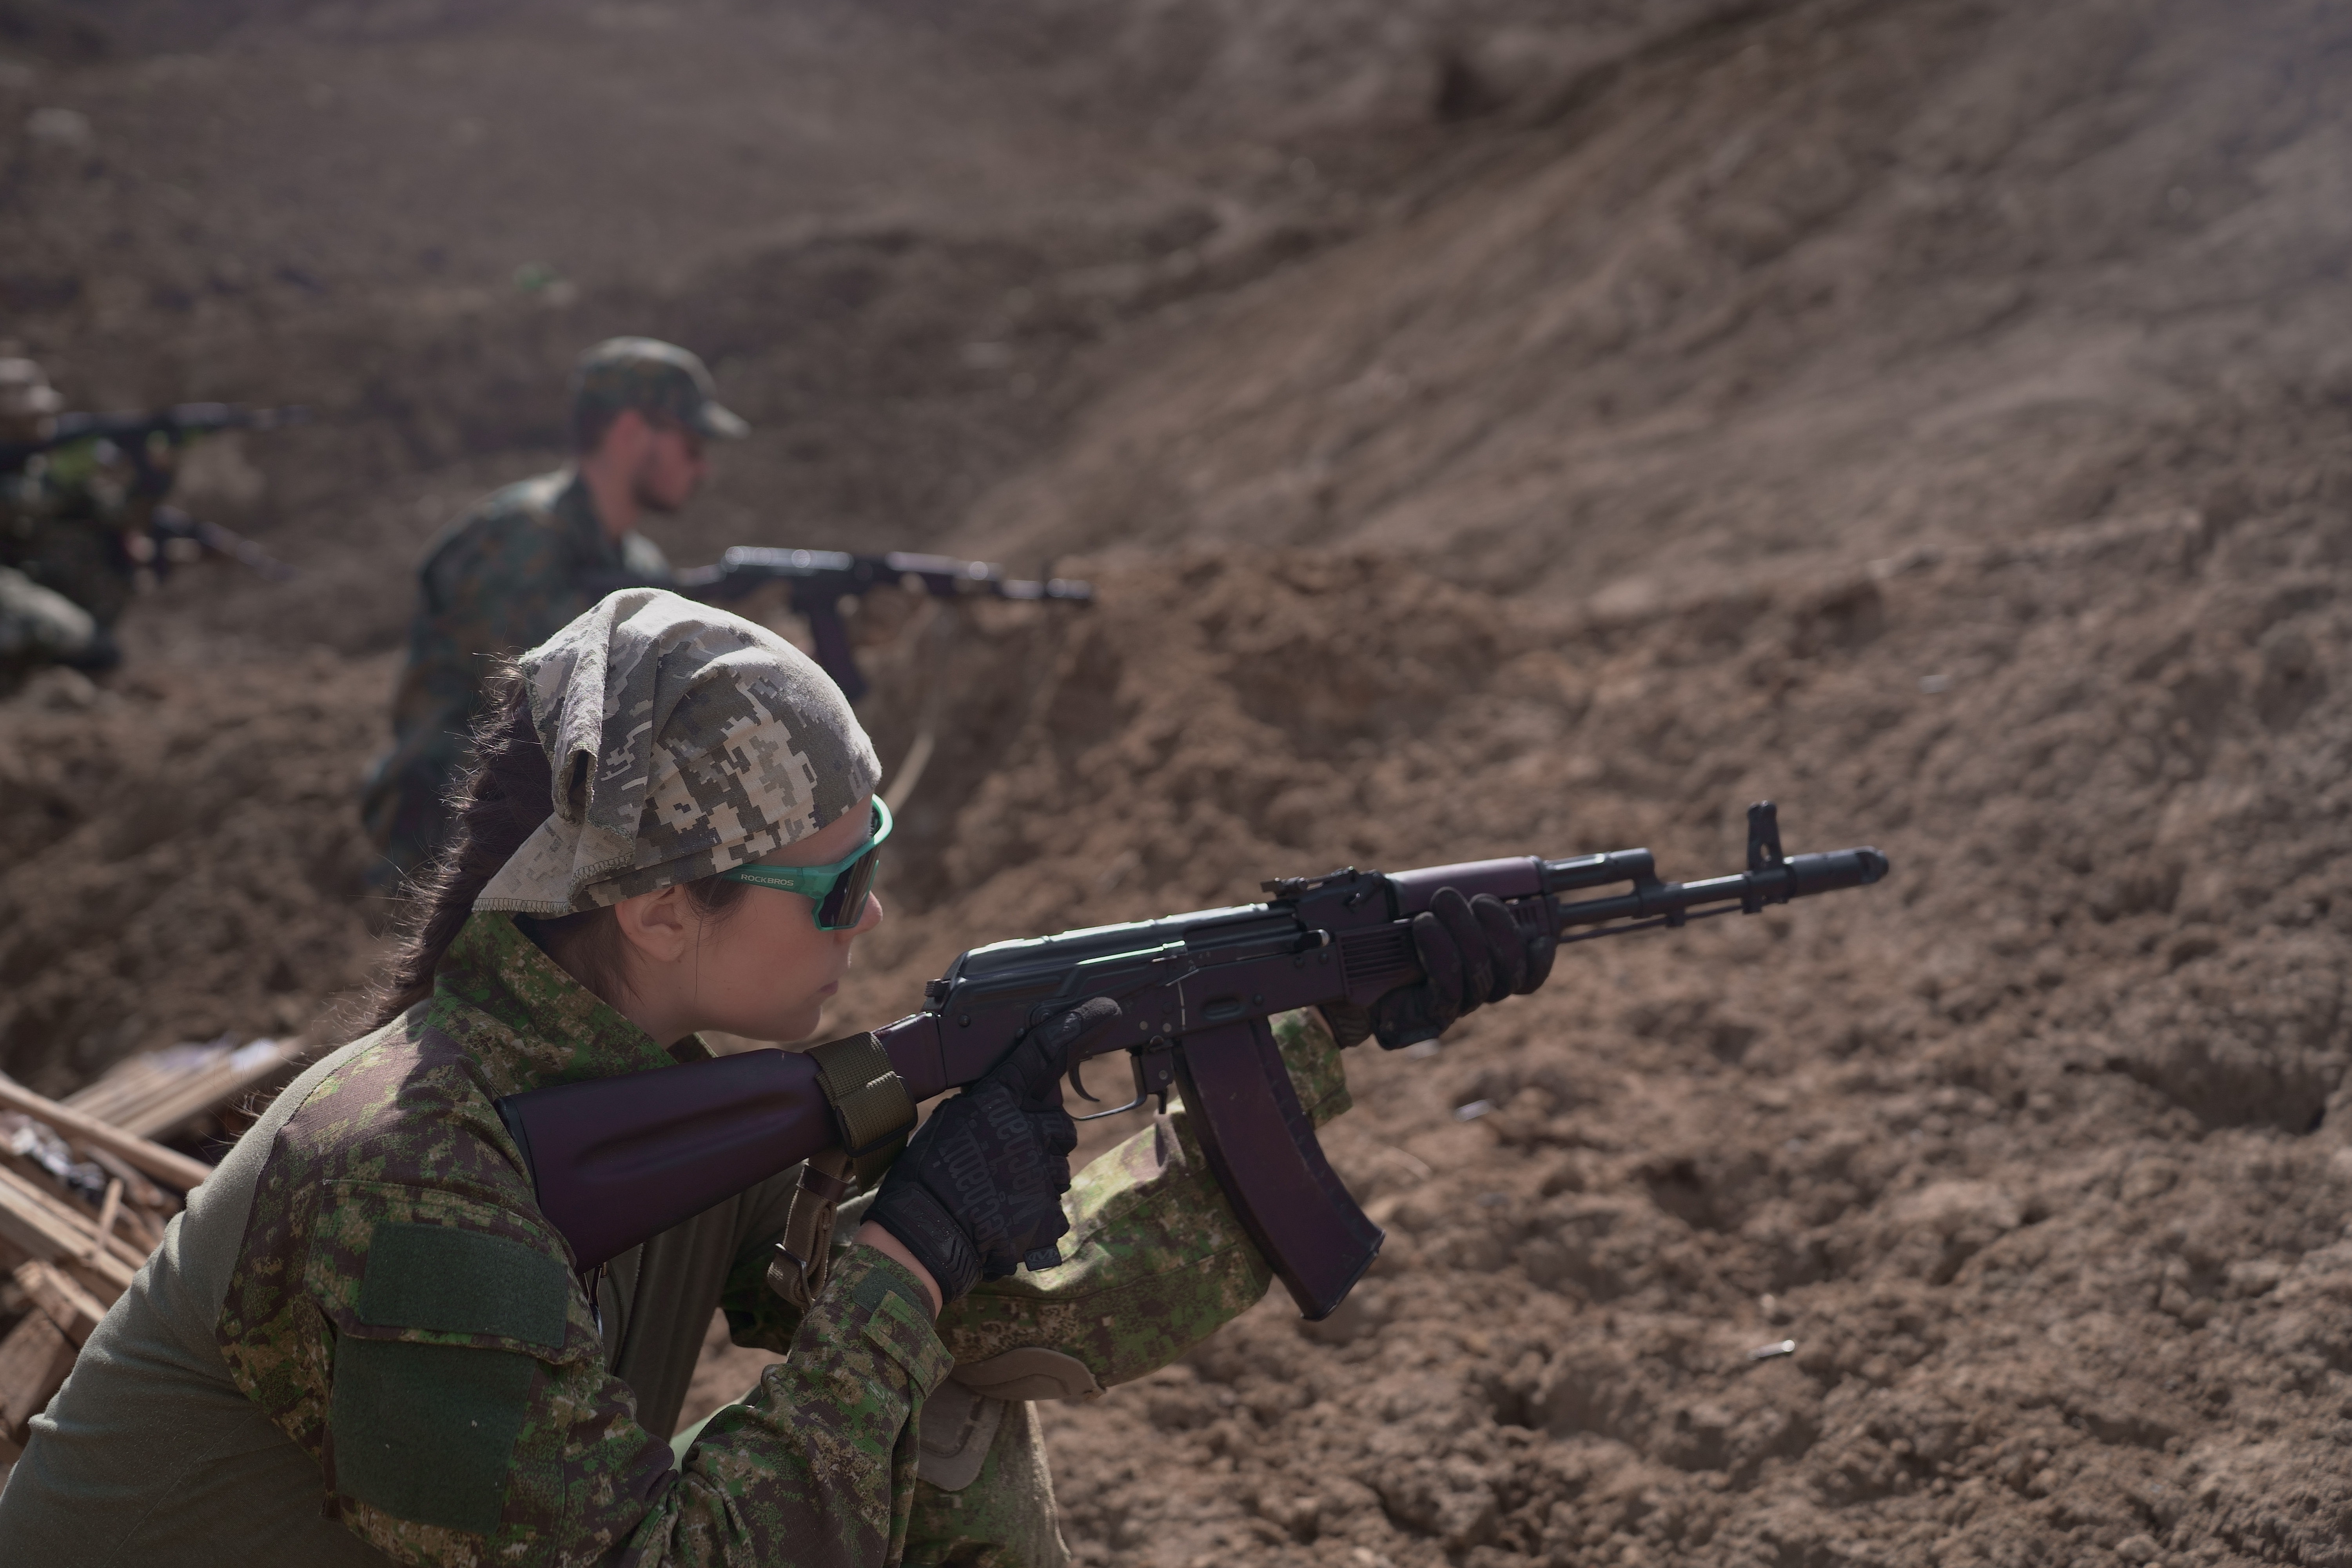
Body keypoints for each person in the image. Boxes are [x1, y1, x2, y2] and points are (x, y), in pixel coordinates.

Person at [0, 590, 1549, 1566]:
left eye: (875, 859)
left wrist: (1309, 1032)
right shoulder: (411, 1167)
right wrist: (904, 1262)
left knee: (942, 1411)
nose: (870, 915)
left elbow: (1006, 1330)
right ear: (658, 907)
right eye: (835, 885)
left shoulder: (644, 1088)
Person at [361, 337, 748, 890]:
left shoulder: (639, 564)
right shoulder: (518, 538)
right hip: (443, 843)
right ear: (632, 434)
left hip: (537, 840)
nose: (704, 468)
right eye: (691, 445)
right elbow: (544, 705)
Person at [0, 356, 124, 678]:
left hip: (21, 573)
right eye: (31, 417)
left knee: (99, 648)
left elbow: (112, 517)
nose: (46, 423)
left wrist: (153, 480)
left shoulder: (36, 465)